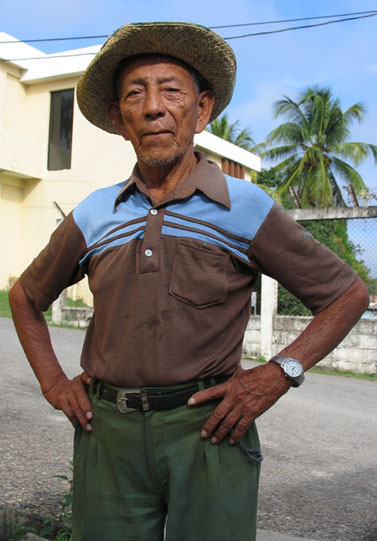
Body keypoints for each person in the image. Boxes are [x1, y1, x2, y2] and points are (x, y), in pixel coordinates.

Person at [9, 21, 369, 541]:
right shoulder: (95, 214)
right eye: (136, 94)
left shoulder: (243, 207)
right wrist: (52, 383)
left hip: (209, 429)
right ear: (119, 118)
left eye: (171, 91)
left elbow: (346, 294)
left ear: (200, 110)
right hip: (106, 433)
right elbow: (24, 296)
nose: (154, 107)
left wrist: (279, 373)